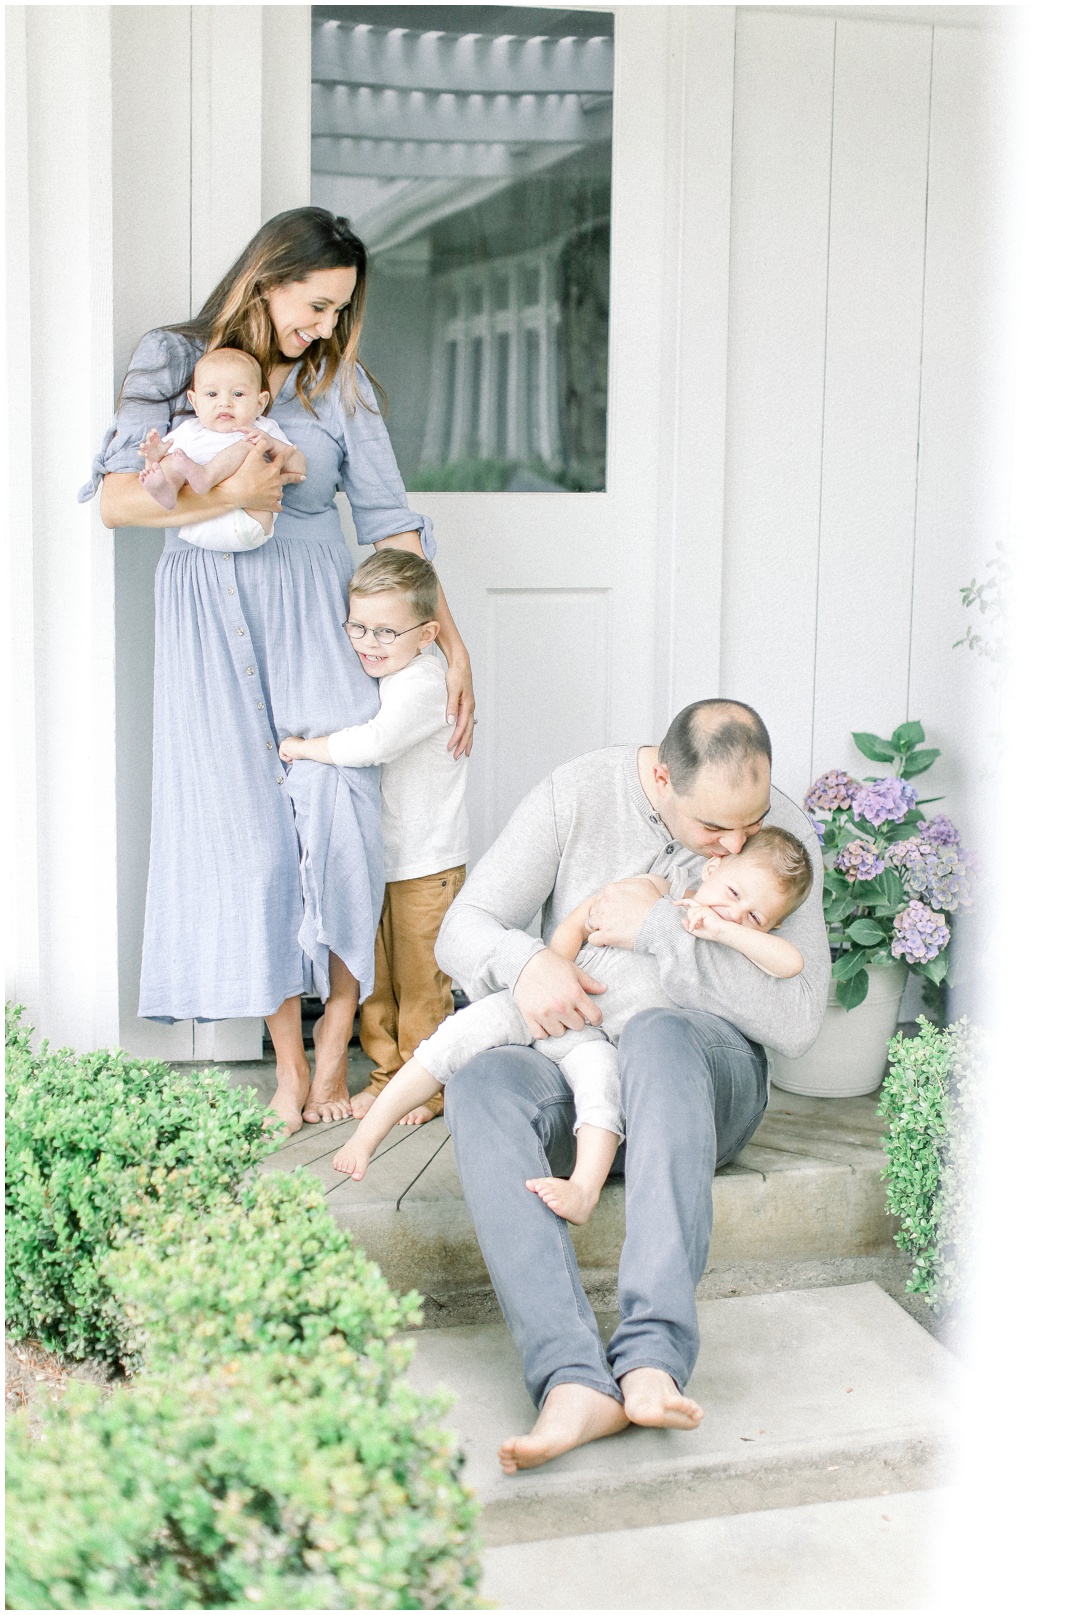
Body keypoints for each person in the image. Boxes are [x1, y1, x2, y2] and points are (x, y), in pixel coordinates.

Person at [79, 207, 475, 1135]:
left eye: (341, 311)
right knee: (246, 841)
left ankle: (338, 1039)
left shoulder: (340, 383)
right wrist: (234, 488)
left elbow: (391, 522)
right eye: (319, 303)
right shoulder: (173, 360)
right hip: (206, 628)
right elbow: (113, 501)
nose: (327, 326)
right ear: (268, 277)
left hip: (312, 618)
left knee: (339, 823)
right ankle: (291, 1068)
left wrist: (452, 645)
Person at [430, 698, 829, 1473]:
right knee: (480, 1083)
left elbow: (799, 1017)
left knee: (658, 1030)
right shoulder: (576, 793)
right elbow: (462, 926)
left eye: (751, 821)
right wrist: (531, 963)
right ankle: (573, 1380)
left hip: (705, 1078)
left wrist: (661, 930)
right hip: (586, 1076)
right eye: (716, 828)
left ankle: (652, 1355)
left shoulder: (781, 834)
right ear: (660, 775)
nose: (736, 843)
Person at [328, 826, 812, 1228]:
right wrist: (554, 968)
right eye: (731, 893)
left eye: (755, 915)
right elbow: (584, 916)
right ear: (712, 868)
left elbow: (790, 963)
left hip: (594, 1038)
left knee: (603, 1094)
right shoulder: (660, 891)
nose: (734, 911)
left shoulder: (735, 943)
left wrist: (727, 930)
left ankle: (583, 1189)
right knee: (452, 1040)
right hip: (555, 1002)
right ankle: (367, 1135)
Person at [278, 548, 469, 1127]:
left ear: (428, 633)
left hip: (426, 863)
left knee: (421, 983)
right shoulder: (381, 669)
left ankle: (427, 1085)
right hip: (380, 860)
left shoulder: (425, 681)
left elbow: (374, 744)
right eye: (357, 626)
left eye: (386, 630)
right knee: (377, 982)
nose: (368, 642)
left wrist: (304, 748)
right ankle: (388, 1076)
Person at [139, 347, 305, 551]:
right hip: (199, 521)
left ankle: (206, 476)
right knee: (171, 459)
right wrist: (153, 459)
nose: (224, 403)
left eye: (238, 394)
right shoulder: (190, 431)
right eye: (212, 394)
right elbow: (163, 458)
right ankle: (166, 492)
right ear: (195, 402)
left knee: (251, 444)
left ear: (260, 403)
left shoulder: (261, 429)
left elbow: (299, 468)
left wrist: (270, 443)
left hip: (250, 520)